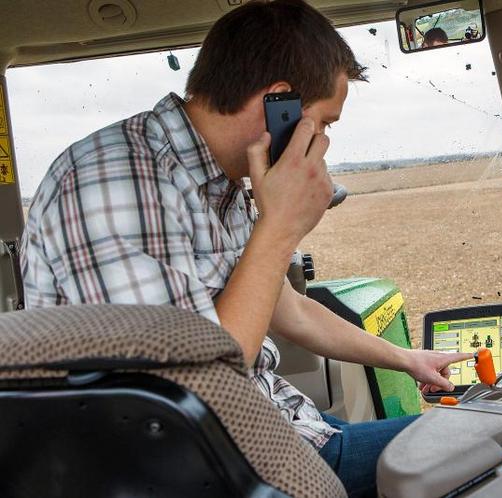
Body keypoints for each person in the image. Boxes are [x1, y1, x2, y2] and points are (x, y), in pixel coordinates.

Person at [20, 1, 470, 496]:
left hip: (281, 434)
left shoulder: (222, 182)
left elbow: (287, 308)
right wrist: (278, 225)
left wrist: (406, 358)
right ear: (280, 103)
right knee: (496, 445)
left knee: (495, 436)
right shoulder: (118, 184)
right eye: (322, 123)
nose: (322, 142)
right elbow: (183, 394)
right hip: (217, 468)